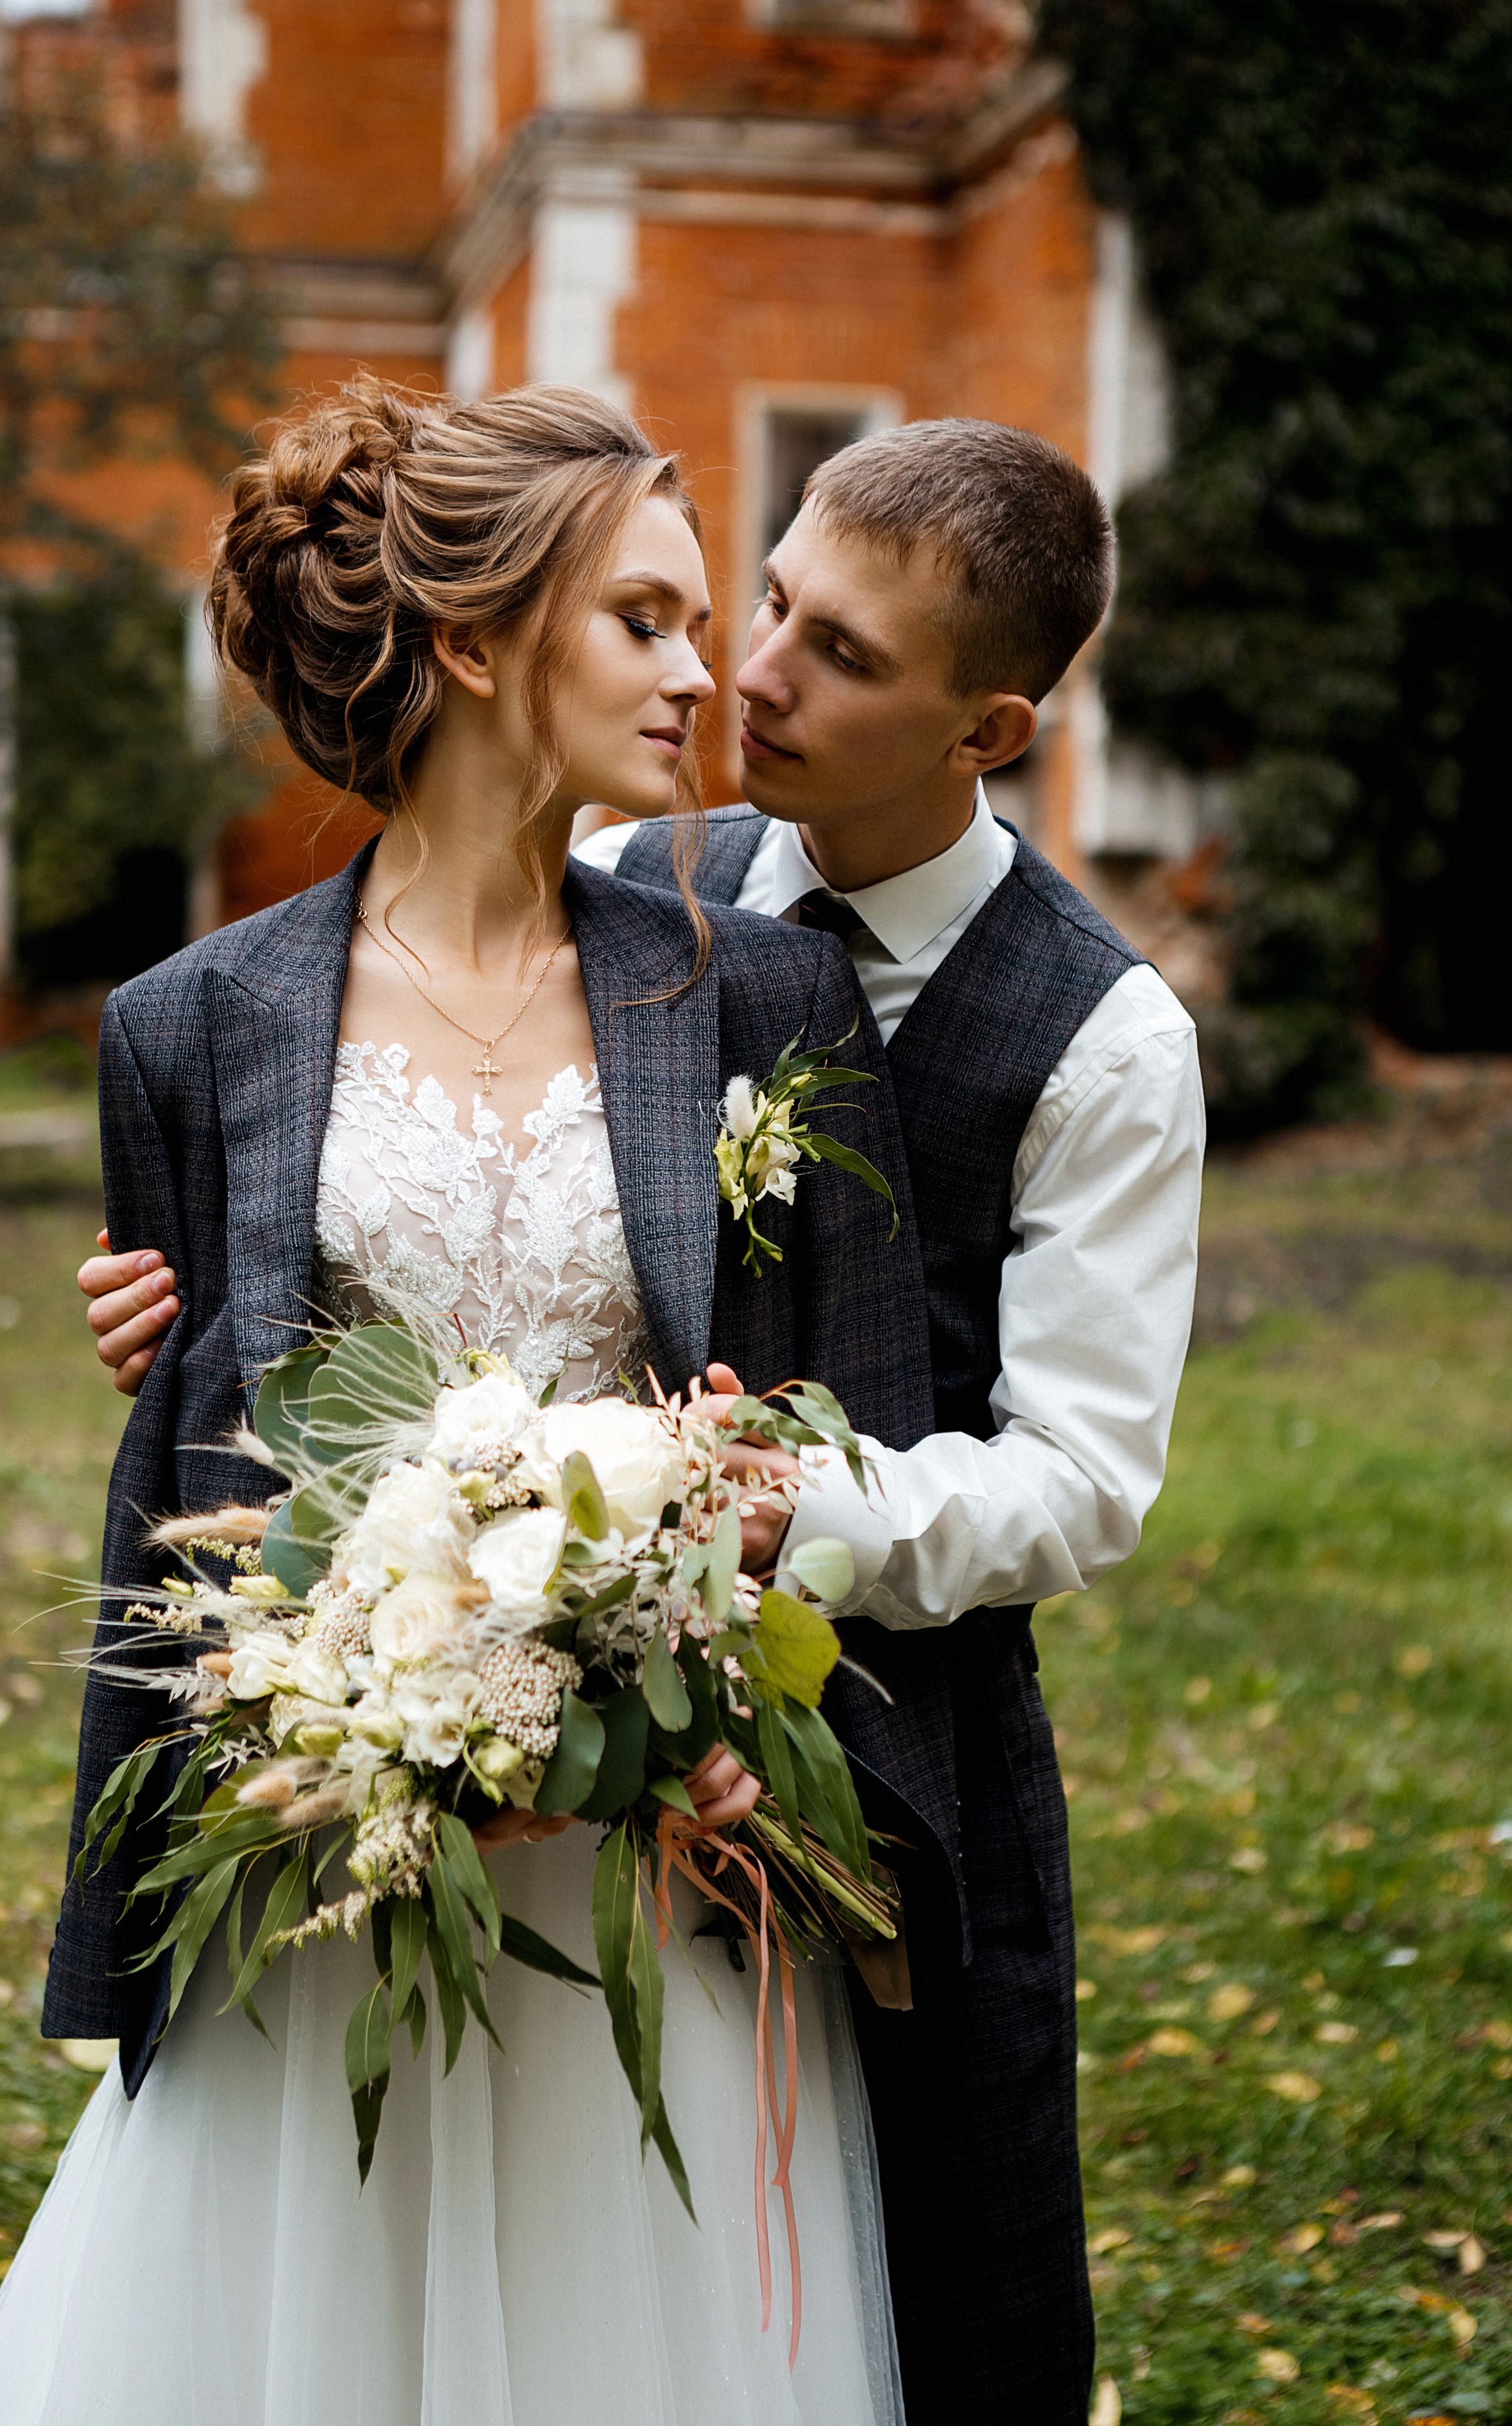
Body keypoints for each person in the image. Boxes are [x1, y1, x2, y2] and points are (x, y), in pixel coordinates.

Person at [80, 414, 1207, 2422]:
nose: (745, 675)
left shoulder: (1101, 1039)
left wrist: (743, 1541)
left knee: (945, 2281)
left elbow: (1082, 1478)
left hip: (838, 1718)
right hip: (419, 1734)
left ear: (991, 726)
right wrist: (196, 1300)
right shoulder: (636, 867)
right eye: (745, 604)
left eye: (834, 655)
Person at [0, 380, 932, 2426]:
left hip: (664, 1857)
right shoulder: (191, 1025)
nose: (704, 679)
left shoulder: (761, 1000)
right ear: (479, 641)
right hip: (345, 1867)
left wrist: (748, 1736)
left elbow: (843, 1430)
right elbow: (204, 1475)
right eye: (646, 621)